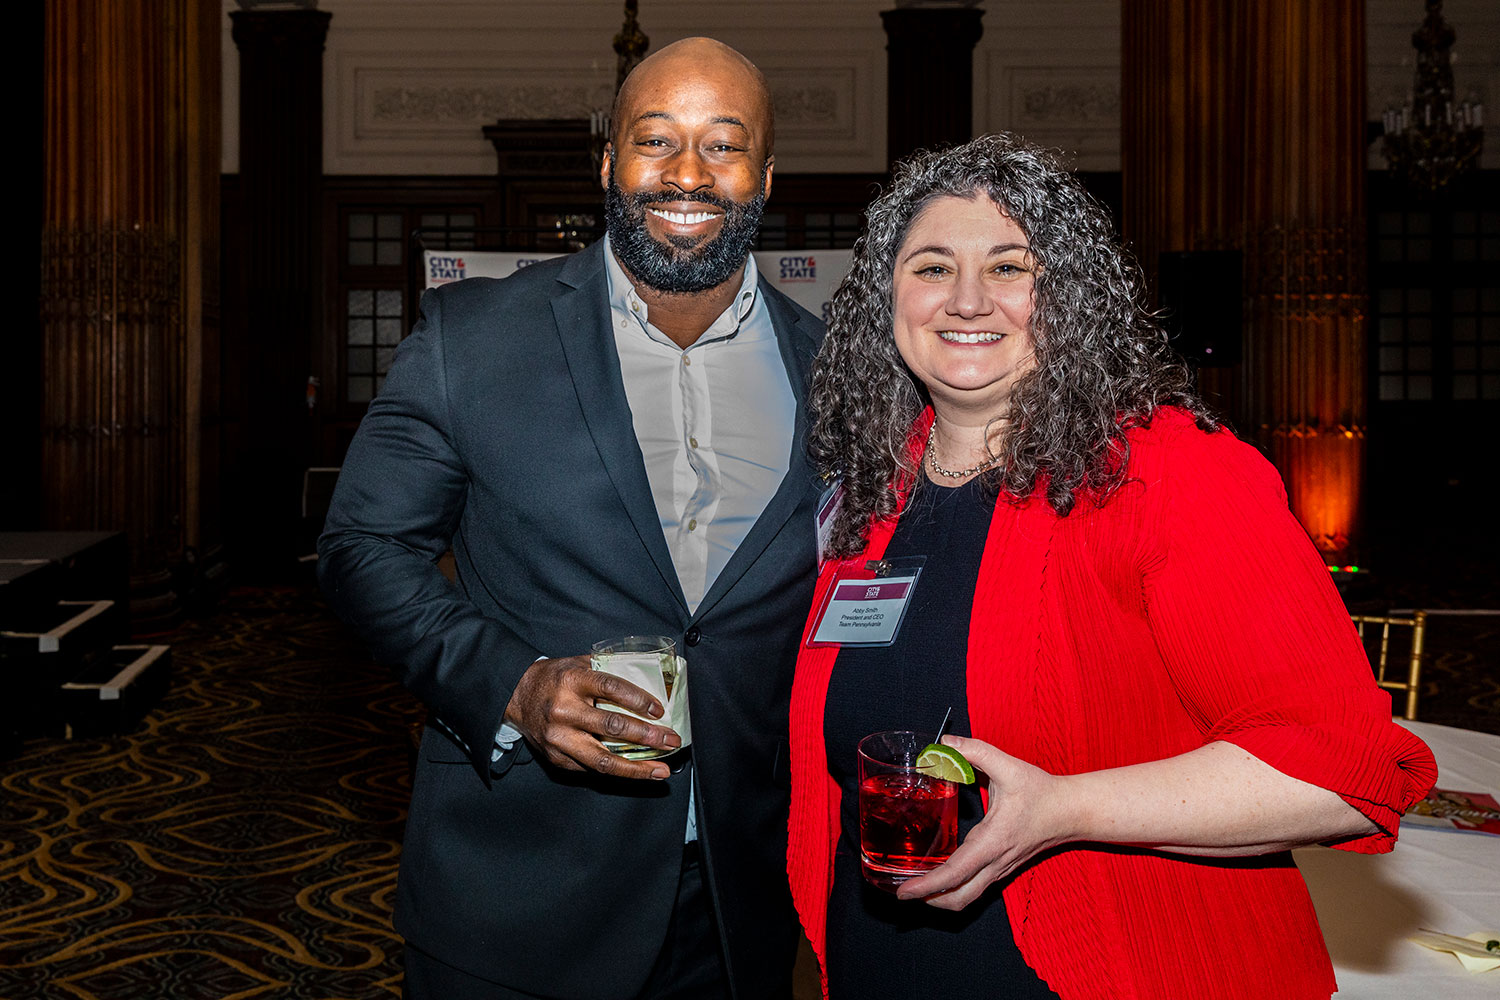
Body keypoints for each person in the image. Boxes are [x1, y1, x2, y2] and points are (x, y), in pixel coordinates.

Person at [786, 133, 1438, 999]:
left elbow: (1341, 770)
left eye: (1011, 267)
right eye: (932, 266)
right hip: (883, 962)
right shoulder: (874, 493)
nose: (969, 299)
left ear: (1068, 296)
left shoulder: (1167, 469)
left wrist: (1065, 810)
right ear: (885, 298)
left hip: (1118, 965)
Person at [319, 38, 823, 1000]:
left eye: (723, 145)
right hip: (518, 891)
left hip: (741, 896)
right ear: (608, 163)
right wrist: (509, 685)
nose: (687, 173)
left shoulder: (836, 365)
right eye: (655, 139)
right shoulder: (472, 339)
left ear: (764, 176)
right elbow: (362, 549)